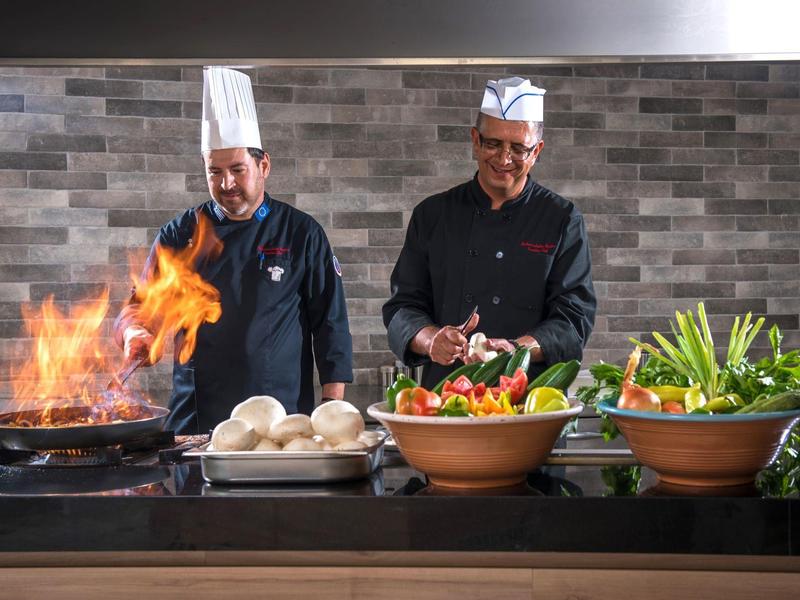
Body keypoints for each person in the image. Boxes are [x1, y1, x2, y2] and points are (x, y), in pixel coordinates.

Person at [114, 67, 353, 434]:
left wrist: (332, 409)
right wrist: (135, 334)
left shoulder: (302, 232)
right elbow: (138, 309)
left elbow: (330, 325)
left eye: (238, 170)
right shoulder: (180, 234)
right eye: (215, 172)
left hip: (281, 421)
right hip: (196, 420)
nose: (227, 183)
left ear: (264, 165)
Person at [383, 77, 596, 389]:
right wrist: (431, 341)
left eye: (518, 148)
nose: (504, 158)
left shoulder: (561, 219)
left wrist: (515, 350)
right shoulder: (432, 215)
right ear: (475, 140)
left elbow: (573, 320)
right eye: (493, 143)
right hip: (448, 401)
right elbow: (402, 308)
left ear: (536, 150)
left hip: (531, 404)